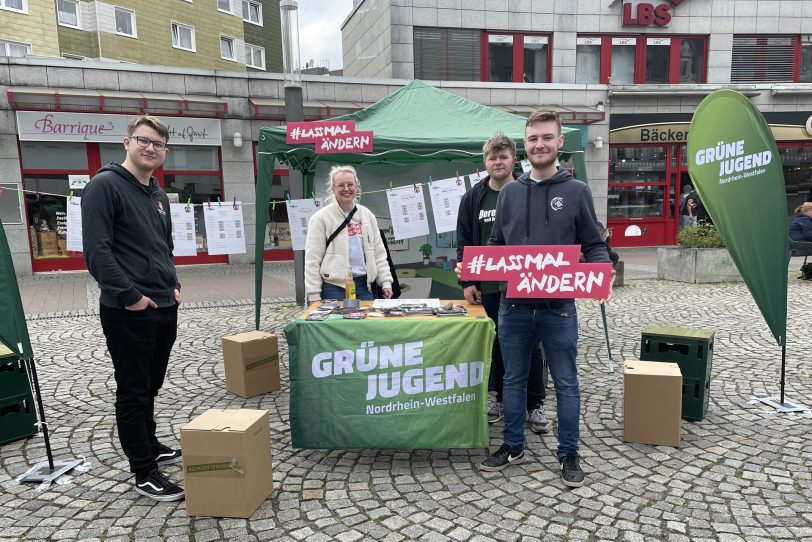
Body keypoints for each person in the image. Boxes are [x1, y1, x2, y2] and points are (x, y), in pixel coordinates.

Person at [479, 109, 614, 488]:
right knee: (513, 380)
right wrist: (475, 268)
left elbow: (593, 244)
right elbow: (496, 246)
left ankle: (569, 453)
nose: (540, 144)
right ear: (526, 144)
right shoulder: (509, 193)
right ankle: (513, 444)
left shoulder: (576, 191)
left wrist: (602, 270)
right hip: (514, 307)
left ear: (559, 143)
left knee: (567, 383)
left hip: (559, 310)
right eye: (533, 138)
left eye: (547, 138)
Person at [81, 115, 184, 502]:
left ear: (164, 152)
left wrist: (173, 286)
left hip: (163, 305)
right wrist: (130, 296)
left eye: (157, 144)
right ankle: (144, 471)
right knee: (133, 392)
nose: (150, 148)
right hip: (129, 311)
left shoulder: (157, 195)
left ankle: (151, 445)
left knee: (151, 386)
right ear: (127, 143)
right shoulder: (104, 186)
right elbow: (97, 252)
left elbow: (163, 247)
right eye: (143, 140)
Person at [456, 134, 549, 434]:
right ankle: (495, 397)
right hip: (489, 287)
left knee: (532, 346)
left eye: (503, 157)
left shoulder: (530, 191)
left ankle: (534, 404)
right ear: (485, 162)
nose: (497, 162)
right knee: (493, 343)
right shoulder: (474, 198)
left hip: (526, 286)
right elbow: (465, 242)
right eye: (491, 158)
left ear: (513, 160)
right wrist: (468, 280)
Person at [305, 165, 394, 302]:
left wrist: (386, 282)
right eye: (341, 185)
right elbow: (312, 260)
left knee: (367, 323)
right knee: (338, 324)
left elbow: (378, 253)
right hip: (333, 287)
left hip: (363, 286)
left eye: (350, 184)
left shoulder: (367, 215)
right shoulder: (320, 219)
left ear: (356, 187)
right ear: (333, 189)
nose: (346, 189)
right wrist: (314, 295)